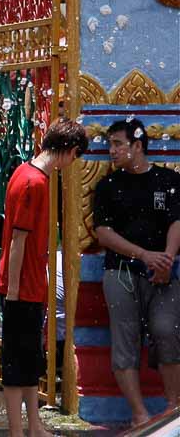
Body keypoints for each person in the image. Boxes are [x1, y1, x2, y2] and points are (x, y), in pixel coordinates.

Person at [0, 119, 87, 437]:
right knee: (16, 364)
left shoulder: (29, 173)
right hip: (22, 288)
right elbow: (18, 240)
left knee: (29, 361)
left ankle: (33, 425)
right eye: (75, 156)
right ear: (70, 151)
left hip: (30, 286)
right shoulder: (33, 182)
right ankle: (17, 431)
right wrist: (15, 292)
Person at [94, 118, 180, 427]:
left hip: (165, 273)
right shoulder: (108, 186)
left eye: (118, 144)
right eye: (110, 145)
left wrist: (166, 260)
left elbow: (176, 221)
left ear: (138, 145)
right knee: (124, 340)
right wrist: (144, 255)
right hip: (120, 272)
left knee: (167, 331)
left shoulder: (167, 181)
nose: (112, 151)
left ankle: (173, 406)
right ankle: (140, 413)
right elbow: (102, 233)